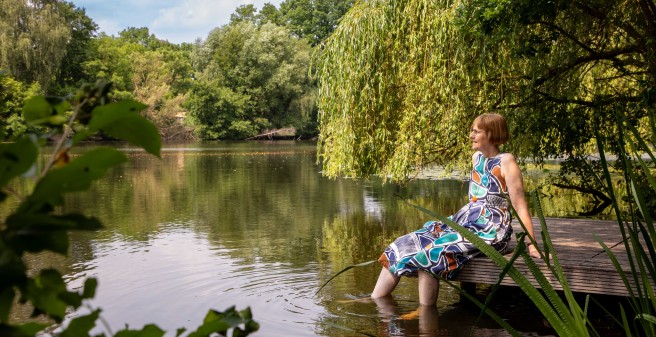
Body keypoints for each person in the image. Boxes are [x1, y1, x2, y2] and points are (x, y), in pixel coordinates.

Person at [371, 113, 540, 307]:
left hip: (491, 230)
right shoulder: (477, 158)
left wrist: (532, 245)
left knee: (432, 255)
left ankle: (425, 317)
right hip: (465, 221)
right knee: (404, 243)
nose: (471, 136)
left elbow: (520, 206)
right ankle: (375, 304)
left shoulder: (506, 161)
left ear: (491, 134)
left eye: (476, 131)